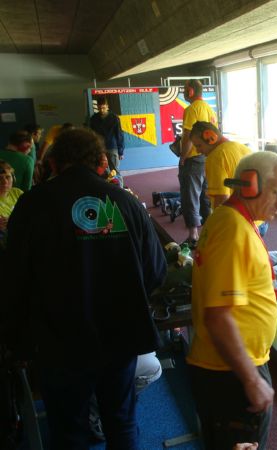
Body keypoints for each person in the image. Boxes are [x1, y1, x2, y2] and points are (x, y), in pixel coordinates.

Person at [2, 128, 167, 449]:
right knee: (121, 422)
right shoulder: (124, 201)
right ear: (100, 161)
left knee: (68, 431)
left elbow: (14, 279)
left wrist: (17, 341)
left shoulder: (32, 205)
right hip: (118, 337)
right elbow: (156, 271)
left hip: (58, 342)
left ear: (53, 163)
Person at [186, 151, 277, 450]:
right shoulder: (233, 230)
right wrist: (251, 380)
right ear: (250, 184)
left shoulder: (231, 220)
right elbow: (218, 317)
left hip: (230, 367)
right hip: (230, 374)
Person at [178, 79, 218, 247]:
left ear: (191, 91)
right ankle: (209, 233)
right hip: (208, 158)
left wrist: (183, 157)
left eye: (184, 90)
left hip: (193, 159)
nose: (183, 93)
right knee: (205, 195)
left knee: (190, 195)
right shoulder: (209, 109)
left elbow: (188, 137)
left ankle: (193, 235)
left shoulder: (191, 109)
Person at [189, 121, 252, 210]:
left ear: (212, 138)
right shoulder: (243, 148)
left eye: (199, 146)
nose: (198, 151)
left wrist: (217, 218)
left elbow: (222, 198)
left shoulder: (215, 157)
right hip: (254, 214)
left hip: (234, 216)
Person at [89, 97, 125, 172]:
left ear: (107, 106)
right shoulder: (93, 119)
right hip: (100, 148)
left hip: (112, 147)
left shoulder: (114, 118)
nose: (101, 110)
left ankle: (118, 180)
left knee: (114, 171)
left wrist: (120, 151)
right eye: (99, 108)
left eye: (103, 108)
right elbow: (92, 135)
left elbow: (119, 134)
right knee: (102, 171)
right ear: (97, 107)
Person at [0, 160, 23, 244]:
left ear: (13, 178)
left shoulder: (18, 192)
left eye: (8, 177)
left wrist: (13, 221)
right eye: (0, 178)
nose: (5, 182)